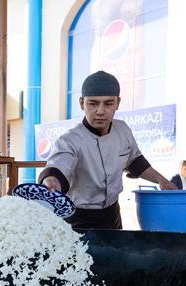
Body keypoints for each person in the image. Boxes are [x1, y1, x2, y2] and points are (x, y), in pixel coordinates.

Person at [39, 70, 176, 229]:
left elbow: (136, 163)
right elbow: (58, 166)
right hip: (76, 219)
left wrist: (162, 180)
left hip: (112, 215)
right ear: (82, 103)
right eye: (93, 103)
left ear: (118, 103)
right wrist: (52, 180)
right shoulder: (70, 140)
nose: (100, 111)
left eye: (108, 103)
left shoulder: (123, 130)